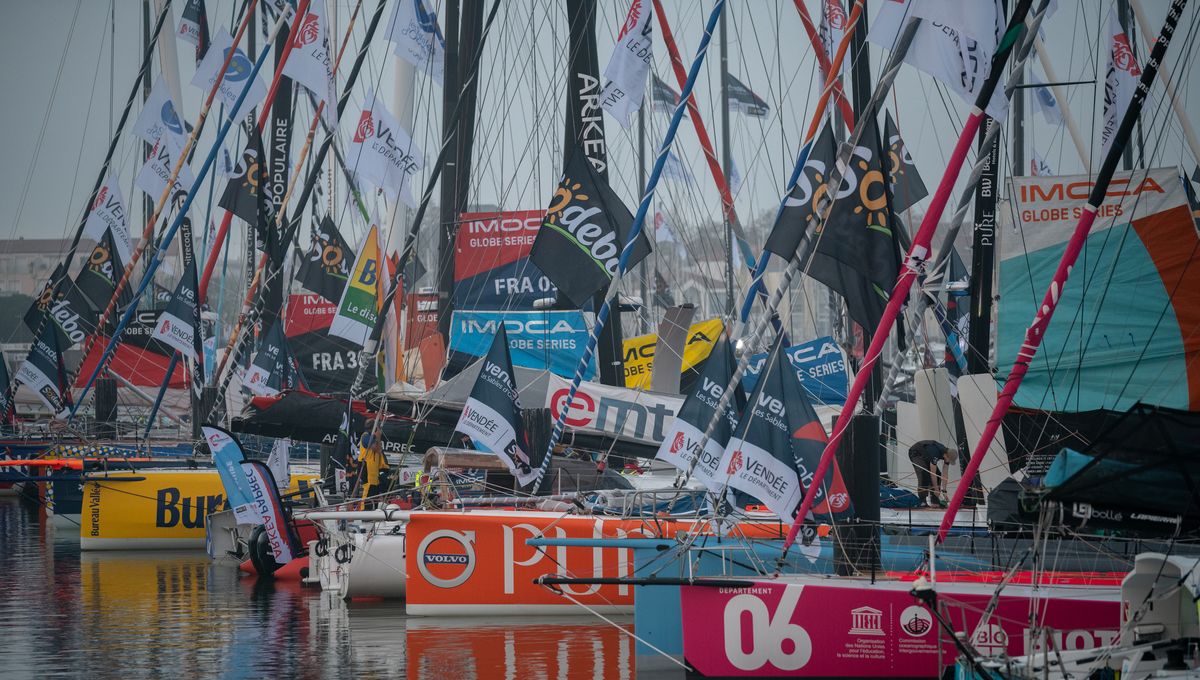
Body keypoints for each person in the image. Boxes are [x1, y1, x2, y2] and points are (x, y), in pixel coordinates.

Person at [907, 440, 958, 508]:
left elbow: (945, 473)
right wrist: (936, 489)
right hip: (916, 453)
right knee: (923, 473)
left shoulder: (947, 455)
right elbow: (932, 473)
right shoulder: (935, 452)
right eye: (949, 460)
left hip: (927, 456)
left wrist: (944, 491)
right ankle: (922, 501)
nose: (948, 462)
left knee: (938, 475)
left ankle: (935, 501)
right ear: (946, 455)